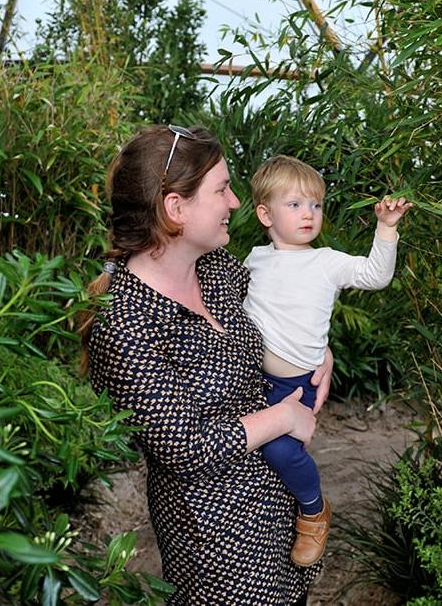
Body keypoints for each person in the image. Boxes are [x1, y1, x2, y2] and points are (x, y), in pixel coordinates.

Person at [79, 126, 333, 605]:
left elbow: (285, 307)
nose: (235, 203)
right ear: (176, 209)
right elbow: (185, 447)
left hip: (281, 512)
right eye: (221, 189)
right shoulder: (126, 322)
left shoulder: (216, 269)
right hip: (219, 544)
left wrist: (321, 350)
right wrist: (281, 417)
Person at [242, 154, 412, 567]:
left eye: (315, 205)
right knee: (253, 462)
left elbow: (376, 275)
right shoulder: (253, 260)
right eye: (295, 205)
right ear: (265, 214)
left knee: (281, 453)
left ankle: (314, 511)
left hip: (297, 384)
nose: (308, 214)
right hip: (253, 381)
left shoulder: (326, 261)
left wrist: (386, 228)